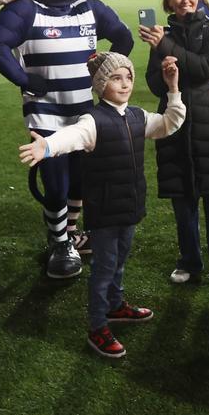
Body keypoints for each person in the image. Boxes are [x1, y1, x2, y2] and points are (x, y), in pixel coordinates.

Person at [19, 51, 185, 357]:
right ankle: (97, 327)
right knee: (104, 268)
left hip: (130, 207)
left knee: (119, 261)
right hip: (106, 211)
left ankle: (115, 306)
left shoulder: (138, 116)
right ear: (99, 84)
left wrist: (173, 88)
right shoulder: (92, 120)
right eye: (115, 78)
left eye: (128, 77)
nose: (124, 84)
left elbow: (169, 123)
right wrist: (48, 146)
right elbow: (71, 136)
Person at [140, 0, 209, 301]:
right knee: (182, 199)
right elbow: (153, 85)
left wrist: (166, 47)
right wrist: (165, 72)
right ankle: (189, 261)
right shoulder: (162, 34)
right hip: (175, 124)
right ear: (168, 1)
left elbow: (206, 67)